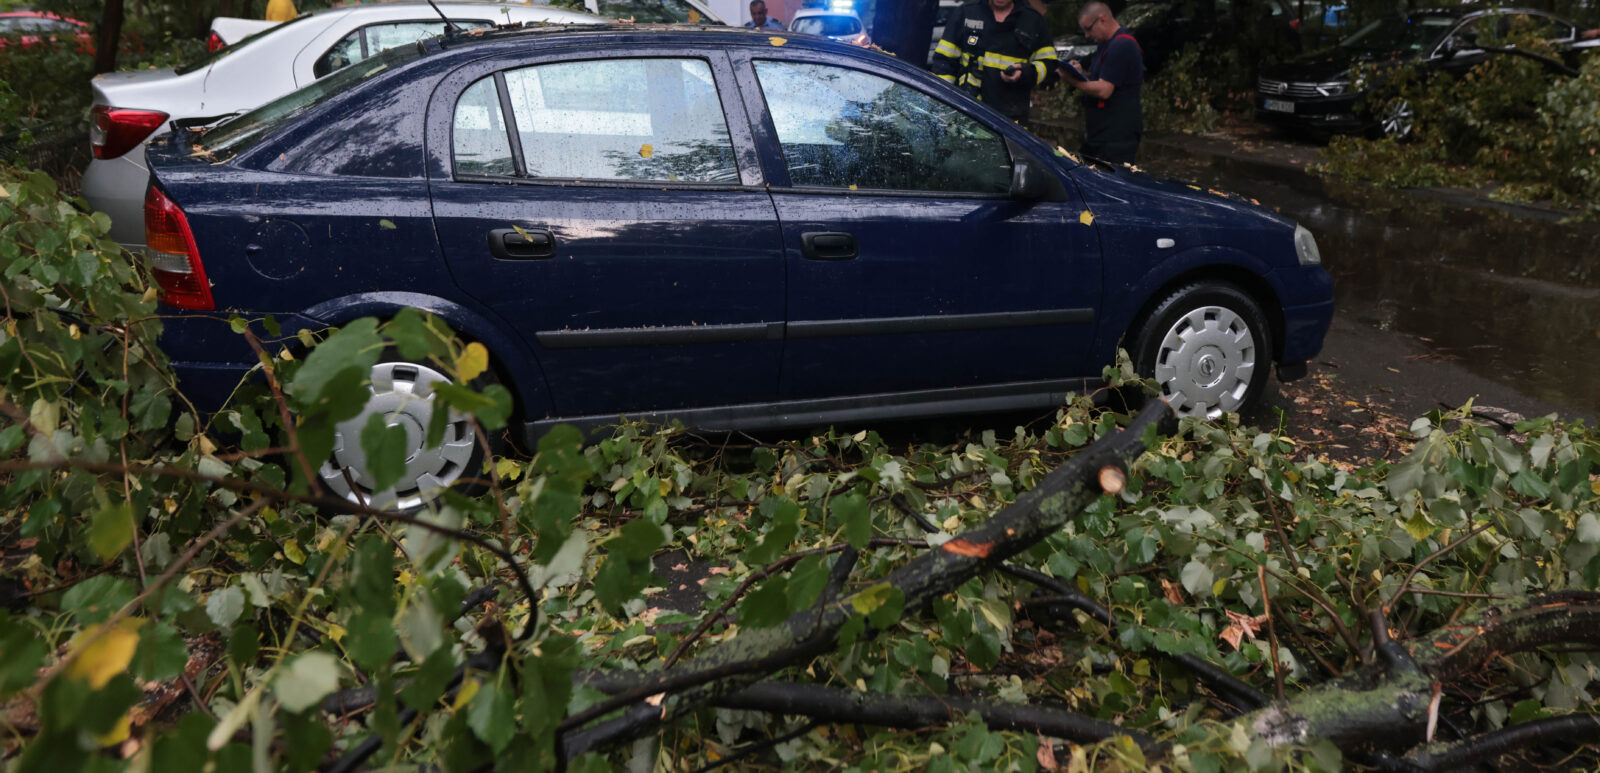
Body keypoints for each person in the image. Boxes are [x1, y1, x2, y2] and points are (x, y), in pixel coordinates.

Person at [930, 0, 1058, 128]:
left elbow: (1049, 63)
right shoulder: (967, 13)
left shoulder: (1032, 20)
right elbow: (944, 61)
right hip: (966, 113)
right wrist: (944, 103)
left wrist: (1025, 73)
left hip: (1010, 120)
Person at [1063, 1, 1143, 163]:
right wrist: (1080, 73)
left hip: (1116, 136)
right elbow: (1099, 76)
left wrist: (1073, 81)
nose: (1086, 35)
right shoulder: (1106, 45)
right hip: (1100, 134)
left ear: (1103, 19)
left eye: (1088, 28)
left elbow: (1104, 90)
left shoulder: (1122, 45)